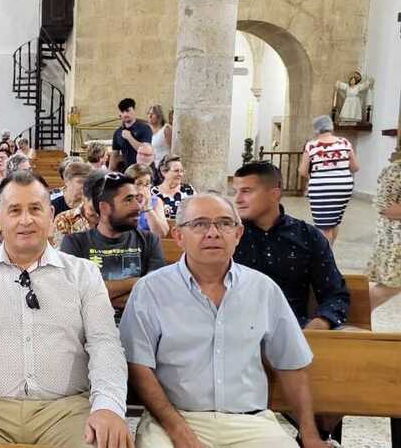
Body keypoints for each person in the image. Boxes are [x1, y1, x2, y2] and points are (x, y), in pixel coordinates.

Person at [0, 170, 131, 446]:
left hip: (67, 410)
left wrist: (107, 407)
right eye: (14, 210)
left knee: (107, 442)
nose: (26, 220)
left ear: (50, 215)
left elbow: (105, 345)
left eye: (35, 209)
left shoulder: (83, 274)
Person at [120, 193, 324, 448]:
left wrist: (310, 434)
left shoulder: (263, 289)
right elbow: (138, 368)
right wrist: (180, 432)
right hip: (174, 419)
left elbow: (291, 363)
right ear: (179, 236)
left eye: (225, 223)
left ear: (238, 234)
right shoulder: (151, 290)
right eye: (200, 224)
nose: (213, 233)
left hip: (249, 423)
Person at [232, 162, 349, 329]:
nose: (237, 200)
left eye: (246, 191)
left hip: (293, 328)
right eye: (235, 192)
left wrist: (322, 322)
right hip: (236, 329)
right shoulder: (228, 235)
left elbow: (335, 293)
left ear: (274, 194)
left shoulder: (308, 236)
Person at [60, 172, 165, 316]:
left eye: (137, 198)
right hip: (89, 330)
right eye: (128, 200)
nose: (137, 206)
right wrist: (137, 282)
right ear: (104, 208)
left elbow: (155, 293)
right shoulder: (75, 242)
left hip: (137, 328)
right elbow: (73, 295)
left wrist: (95, 293)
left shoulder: (150, 240)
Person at [298, 115, 359, 245]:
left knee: (323, 226)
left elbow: (303, 171)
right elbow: (355, 167)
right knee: (333, 222)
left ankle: (325, 259)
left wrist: (315, 176)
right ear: (330, 127)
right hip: (344, 187)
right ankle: (330, 251)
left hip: (321, 188)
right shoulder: (345, 142)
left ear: (316, 129)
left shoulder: (311, 146)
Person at [369, 159, 401, 309]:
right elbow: (385, 207)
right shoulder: (395, 170)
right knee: (390, 286)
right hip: (396, 239)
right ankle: (350, 315)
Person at [125, 164, 169, 238]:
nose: (143, 188)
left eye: (147, 184)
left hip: (148, 246)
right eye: (139, 183)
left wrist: (148, 208)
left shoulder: (156, 202)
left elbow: (161, 234)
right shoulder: (122, 201)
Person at [110, 98, 153, 171]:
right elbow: (114, 155)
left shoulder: (144, 128)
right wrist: (109, 171)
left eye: (127, 111)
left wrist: (130, 137)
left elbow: (146, 150)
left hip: (144, 170)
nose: (125, 114)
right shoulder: (118, 132)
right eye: (122, 112)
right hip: (128, 171)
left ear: (134, 110)